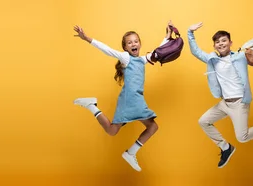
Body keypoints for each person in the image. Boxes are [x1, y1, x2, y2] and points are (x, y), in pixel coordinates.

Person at [72, 21, 176, 172]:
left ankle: (91, 106)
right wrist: (87, 38)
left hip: (130, 100)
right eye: (129, 42)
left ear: (140, 44)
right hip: (131, 99)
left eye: (135, 41)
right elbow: (107, 50)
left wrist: (167, 36)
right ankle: (131, 153)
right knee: (152, 126)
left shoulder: (142, 60)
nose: (133, 44)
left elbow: (158, 51)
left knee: (112, 131)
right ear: (125, 47)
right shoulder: (126, 58)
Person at [187, 22, 253, 168]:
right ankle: (225, 147)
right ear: (214, 46)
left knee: (242, 138)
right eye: (217, 42)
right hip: (225, 103)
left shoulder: (240, 56)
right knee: (203, 121)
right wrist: (190, 33)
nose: (221, 43)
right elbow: (196, 52)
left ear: (230, 43)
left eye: (224, 40)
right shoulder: (213, 60)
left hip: (239, 103)